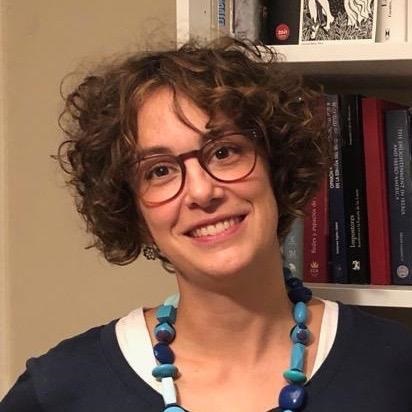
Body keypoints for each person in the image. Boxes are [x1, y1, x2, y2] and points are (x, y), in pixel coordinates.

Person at [1, 37, 411, 412]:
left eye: (224, 151)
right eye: (159, 170)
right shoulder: (60, 390)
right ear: (133, 212)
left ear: (277, 168)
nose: (201, 191)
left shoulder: (396, 369)